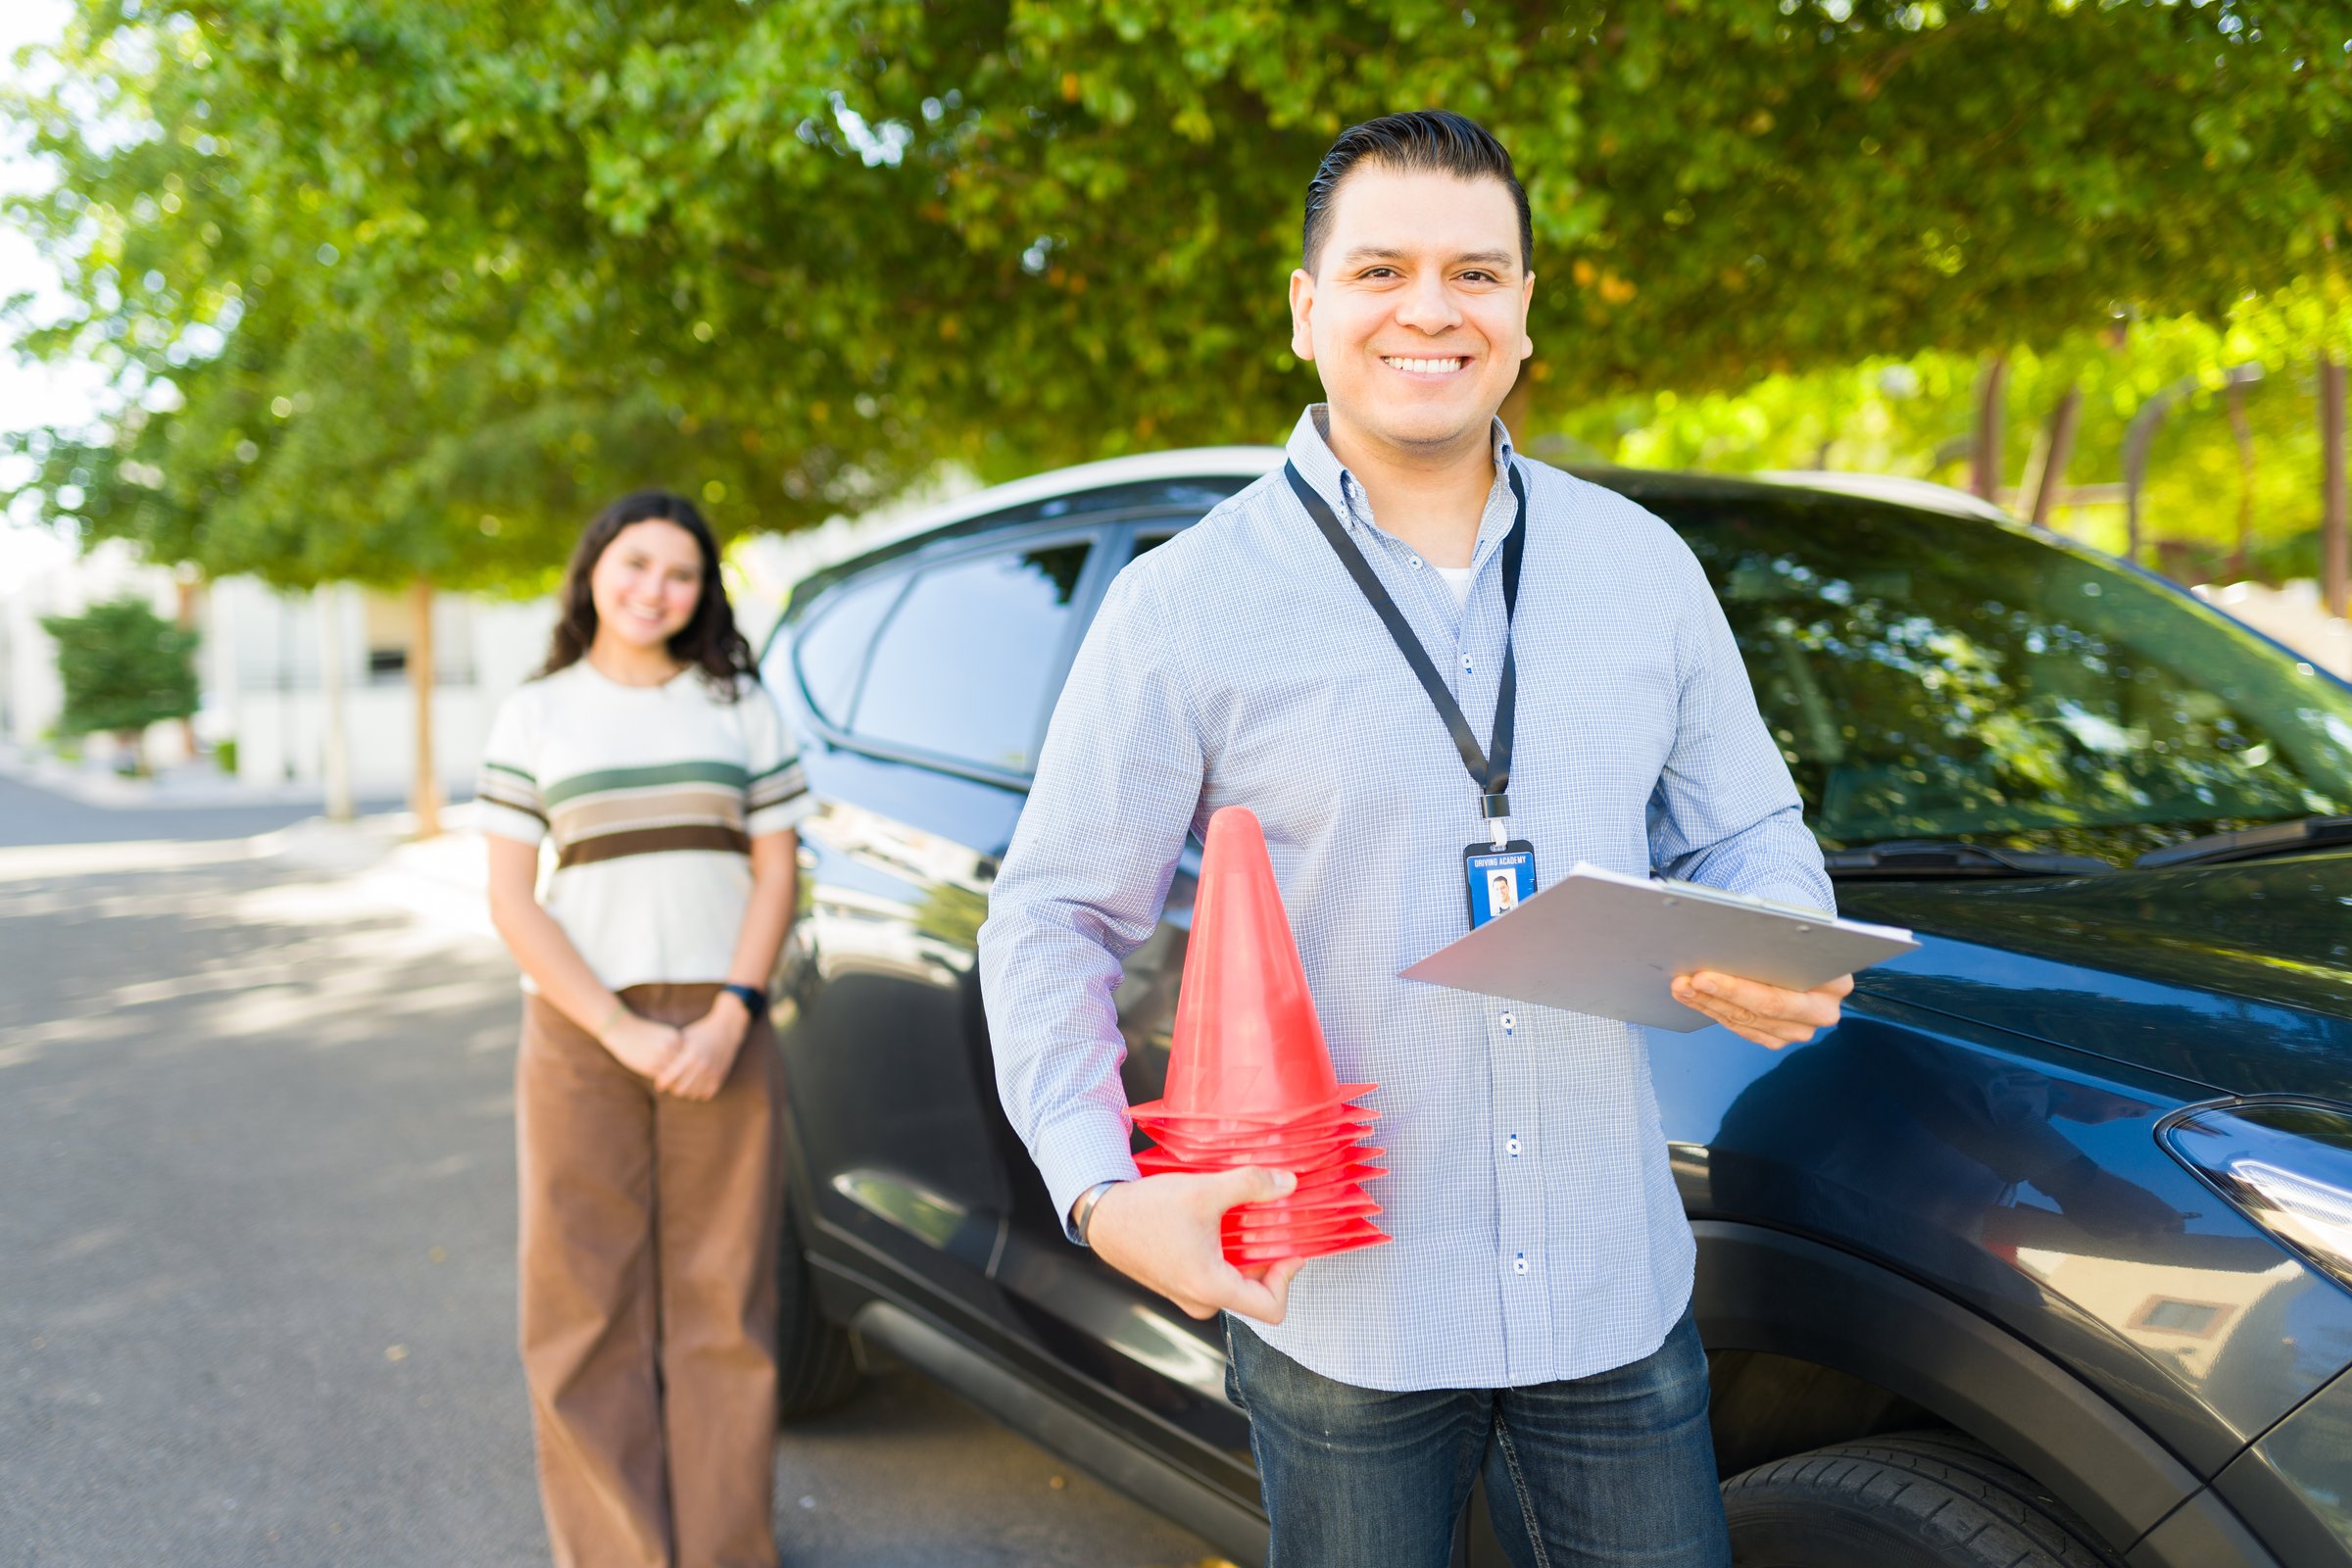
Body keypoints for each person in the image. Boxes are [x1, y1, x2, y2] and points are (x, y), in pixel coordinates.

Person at [979, 112, 1853, 1566]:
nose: (1431, 310)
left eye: (1476, 273)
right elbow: (1055, 918)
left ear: (1525, 311)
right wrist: (1100, 1190)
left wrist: (1780, 931)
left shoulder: (1642, 567)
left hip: (1612, 1292)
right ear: (1306, 308)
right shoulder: (1184, 603)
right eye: (1381, 270)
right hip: (1338, 1308)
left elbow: (1751, 830)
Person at [477, 490, 809, 1568]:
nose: (654, 588)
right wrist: (618, 1029)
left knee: (725, 1301)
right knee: (580, 1305)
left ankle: (725, 1553)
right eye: (635, 563)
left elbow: (776, 876)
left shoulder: (738, 706)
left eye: (680, 572)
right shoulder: (537, 712)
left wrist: (730, 1015)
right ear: (592, 571)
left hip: (723, 1026)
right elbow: (511, 899)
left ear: (703, 592)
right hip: (582, 1032)